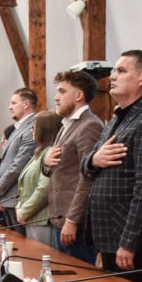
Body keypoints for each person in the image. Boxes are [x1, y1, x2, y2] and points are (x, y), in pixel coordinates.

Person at [82, 50, 142, 282]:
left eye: (121, 71)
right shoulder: (117, 119)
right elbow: (85, 165)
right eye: (114, 71)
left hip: (132, 243)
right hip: (110, 236)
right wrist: (95, 160)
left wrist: (130, 242)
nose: (112, 76)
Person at [43, 70, 103, 264]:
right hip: (59, 217)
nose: (56, 97)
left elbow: (88, 177)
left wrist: (72, 220)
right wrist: (45, 164)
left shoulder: (90, 126)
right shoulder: (66, 125)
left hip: (75, 224)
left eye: (62, 91)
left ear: (79, 95)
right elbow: (57, 168)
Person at [0, 88, 38, 229]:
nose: (9, 107)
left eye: (13, 103)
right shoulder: (18, 128)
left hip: (17, 197)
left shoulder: (31, 127)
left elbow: (18, 165)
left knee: (22, 245)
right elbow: (6, 164)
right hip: (8, 197)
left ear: (26, 104)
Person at [15, 110, 61, 244]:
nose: (32, 131)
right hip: (32, 217)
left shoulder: (50, 152)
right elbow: (25, 185)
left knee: (43, 261)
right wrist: (20, 206)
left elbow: (44, 188)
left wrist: (24, 211)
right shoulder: (39, 152)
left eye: (34, 127)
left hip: (42, 219)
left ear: (45, 129)